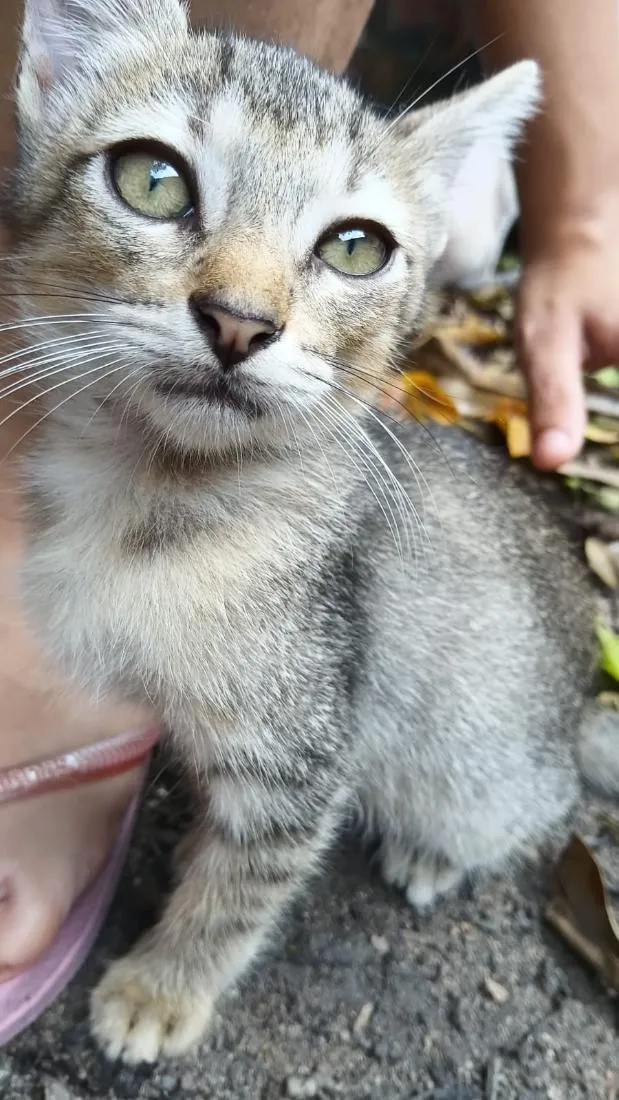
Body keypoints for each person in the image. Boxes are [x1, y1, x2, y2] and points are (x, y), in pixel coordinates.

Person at [2, 0, 619, 1036]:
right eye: (156, 179)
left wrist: (185, 969)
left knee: (323, 789)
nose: (245, 305)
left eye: (351, 244)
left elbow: (288, 797)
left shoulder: (288, 549)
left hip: (473, 772)